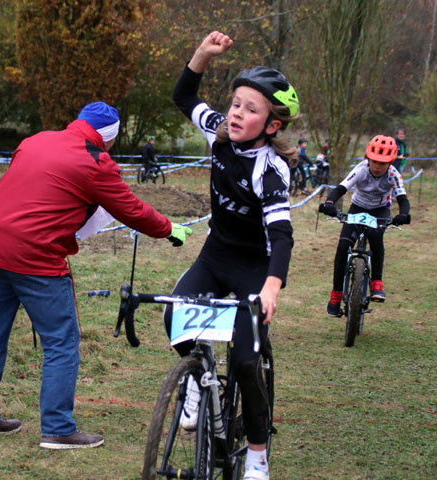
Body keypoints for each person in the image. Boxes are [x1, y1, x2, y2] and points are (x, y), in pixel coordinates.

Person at [0, 101, 192, 449]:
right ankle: (57, 428)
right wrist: (168, 228)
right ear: (110, 138)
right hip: (36, 255)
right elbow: (131, 209)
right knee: (61, 341)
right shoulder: (96, 161)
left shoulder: (36, 140)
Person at [169, 31, 298, 480]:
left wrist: (271, 288)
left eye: (251, 109)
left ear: (273, 124)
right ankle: (195, 380)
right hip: (215, 254)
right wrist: (203, 54)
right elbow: (183, 94)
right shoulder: (219, 133)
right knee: (175, 317)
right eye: (236, 103)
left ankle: (258, 454)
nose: (238, 113)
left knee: (245, 362)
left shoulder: (271, 169)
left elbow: (282, 237)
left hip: (254, 269)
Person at [319, 135, 411, 316]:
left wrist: (403, 214)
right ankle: (336, 294)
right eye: (374, 161)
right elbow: (341, 188)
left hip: (379, 211)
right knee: (344, 245)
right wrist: (330, 203)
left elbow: (402, 198)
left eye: (383, 163)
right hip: (357, 208)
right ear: (368, 158)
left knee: (376, 237)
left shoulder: (393, 174)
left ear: (390, 163)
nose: (377, 166)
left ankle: (376, 281)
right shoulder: (361, 169)